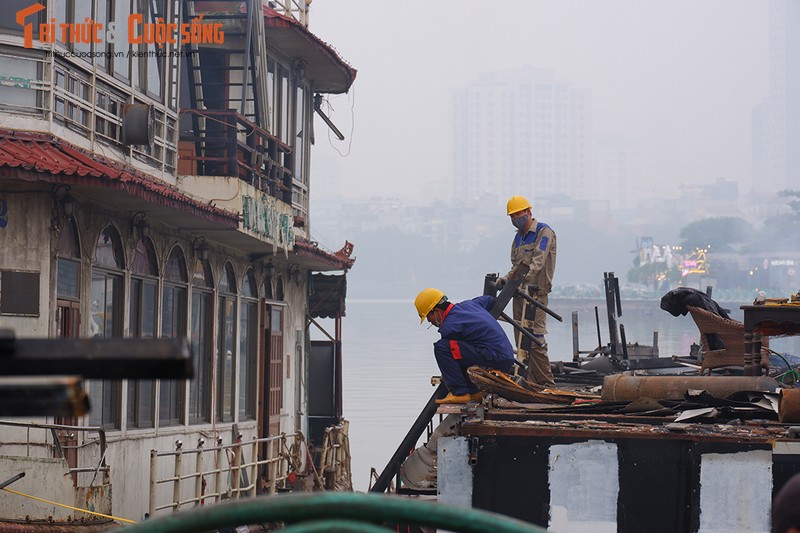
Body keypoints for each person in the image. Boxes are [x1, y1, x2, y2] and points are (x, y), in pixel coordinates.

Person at [414, 288, 515, 405]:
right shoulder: (469, 305)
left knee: (442, 348)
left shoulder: (450, 326)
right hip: (505, 354)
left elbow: (451, 356)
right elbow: (489, 300)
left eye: (428, 317)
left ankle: (460, 393)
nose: (429, 321)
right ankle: (474, 392)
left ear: (436, 311)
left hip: (495, 357)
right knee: (455, 349)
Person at [498, 195, 557, 387]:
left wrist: (517, 280)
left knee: (535, 338)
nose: (516, 218)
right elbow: (516, 267)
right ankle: (530, 382)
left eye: (519, 213)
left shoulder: (543, 232)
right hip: (518, 295)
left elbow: (537, 263)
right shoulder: (518, 238)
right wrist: (505, 280)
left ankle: (546, 383)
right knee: (521, 341)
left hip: (535, 295)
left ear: (529, 211)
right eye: (513, 215)